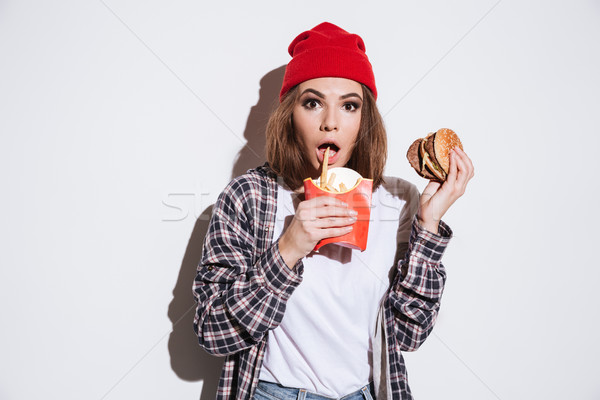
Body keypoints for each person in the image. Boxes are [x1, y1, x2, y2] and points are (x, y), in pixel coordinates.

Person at [193, 22, 474, 400]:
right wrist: (288, 249)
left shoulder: (398, 200)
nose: (331, 121)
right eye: (313, 102)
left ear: (364, 119)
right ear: (290, 114)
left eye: (349, 105)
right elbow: (212, 332)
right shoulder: (249, 196)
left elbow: (410, 335)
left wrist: (429, 224)